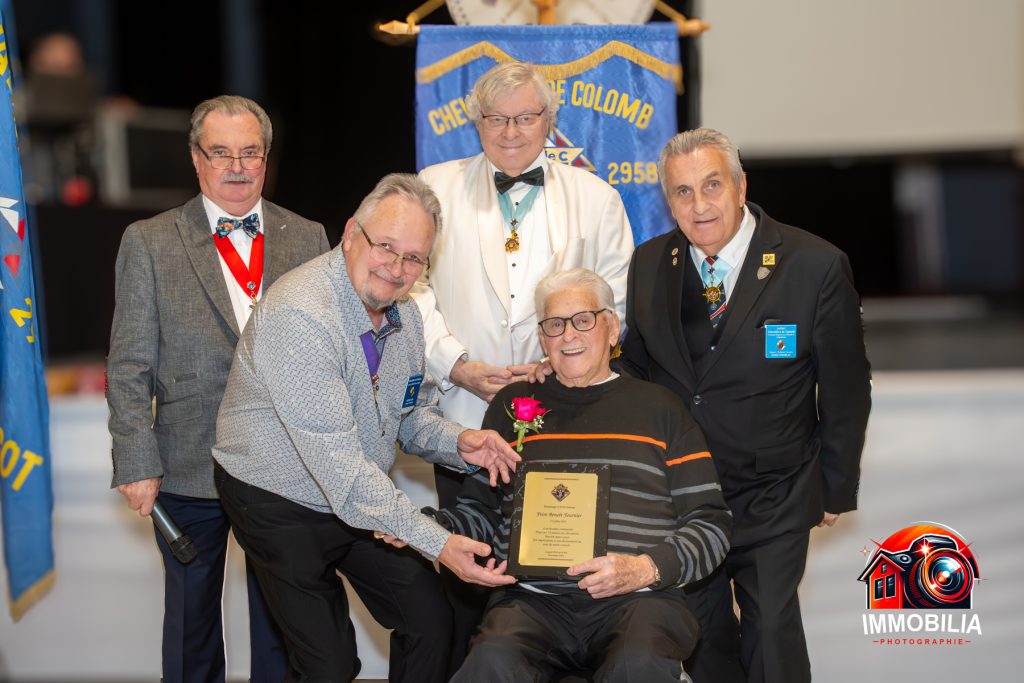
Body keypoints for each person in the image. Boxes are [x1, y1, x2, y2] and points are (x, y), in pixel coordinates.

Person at [212, 173, 521, 682]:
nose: (397, 270)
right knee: (330, 665)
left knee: (431, 622)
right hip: (276, 498)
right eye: (386, 247)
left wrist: (461, 443)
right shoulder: (302, 315)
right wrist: (438, 543)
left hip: (356, 493)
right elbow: (341, 469)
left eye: (414, 258)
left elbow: (406, 416)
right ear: (352, 232)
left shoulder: (407, 316)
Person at [619, 128, 872, 683]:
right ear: (668, 201)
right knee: (703, 639)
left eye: (712, 185)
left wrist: (834, 485)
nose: (699, 205)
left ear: (740, 187)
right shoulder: (649, 263)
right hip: (682, 496)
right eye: (683, 191)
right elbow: (636, 369)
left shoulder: (814, 265)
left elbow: (846, 387)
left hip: (774, 490)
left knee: (771, 633)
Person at [394, 268, 730, 681]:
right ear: (542, 338)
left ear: (612, 328)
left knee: (637, 664)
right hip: (533, 601)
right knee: (491, 661)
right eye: (554, 324)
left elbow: (711, 524)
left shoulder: (662, 409)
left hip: (639, 598)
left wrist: (645, 568)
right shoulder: (512, 405)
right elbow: (481, 511)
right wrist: (427, 528)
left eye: (583, 320)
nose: (568, 335)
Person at [411, 61, 635, 663]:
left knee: (561, 579)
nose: (511, 131)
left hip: (568, 422)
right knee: (466, 575)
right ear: (477, 122)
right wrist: (455, 363)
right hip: (464, 418)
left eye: (526, 118)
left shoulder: (597, 197)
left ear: (549, 122)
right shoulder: (433, 187)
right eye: (497, 119)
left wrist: (556, 360)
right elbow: (411, 289)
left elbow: (617, 300)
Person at [107, 95, 330, 683]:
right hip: (187, 462)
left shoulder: (309, 237)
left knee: (284, 625)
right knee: (192, 626)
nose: (236, 166)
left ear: (267, 158)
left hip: (288, 466)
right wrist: (136, 460)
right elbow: (128, 365)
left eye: (250, 152)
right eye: (221, 153)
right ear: (195, 158)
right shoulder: (149, 240)